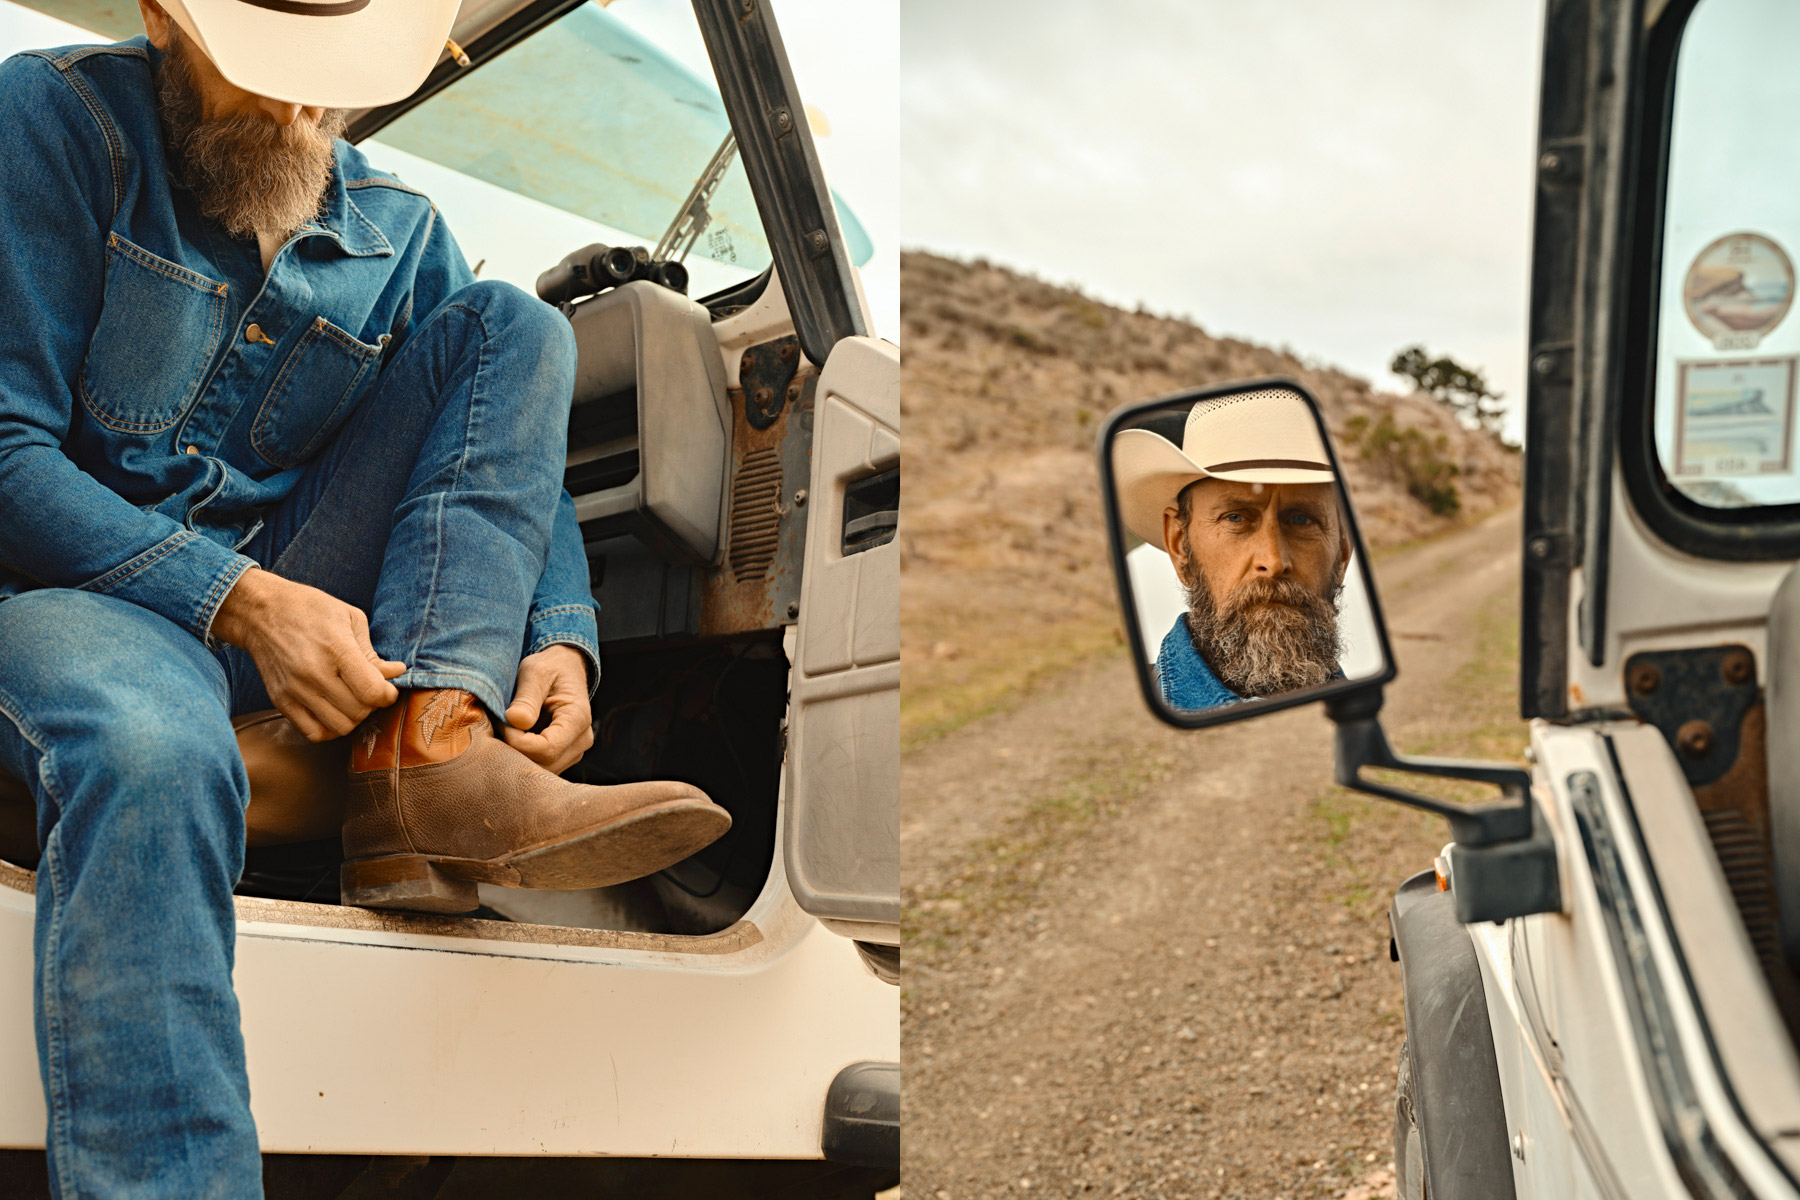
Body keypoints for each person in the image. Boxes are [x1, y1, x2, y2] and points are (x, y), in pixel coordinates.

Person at [0, 1, 730, 1192]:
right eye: (268, 73)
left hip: (286, 589)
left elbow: (503, 437)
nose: (300, 108)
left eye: (324, 80)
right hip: (66, 589)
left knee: (515, 327)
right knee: (151, 748)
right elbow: (6, 456)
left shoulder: (401, 231)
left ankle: (431, 748)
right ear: (161, 21)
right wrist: (242, 602)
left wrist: (560, 634)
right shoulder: (55, 120)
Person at [1113, 388, 1352, 711]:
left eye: (1301, 519)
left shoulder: (1370, 719)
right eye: (1236, 517)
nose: (1273, 560)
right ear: (1180, 545)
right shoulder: (1125, 717)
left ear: (1342, 554)